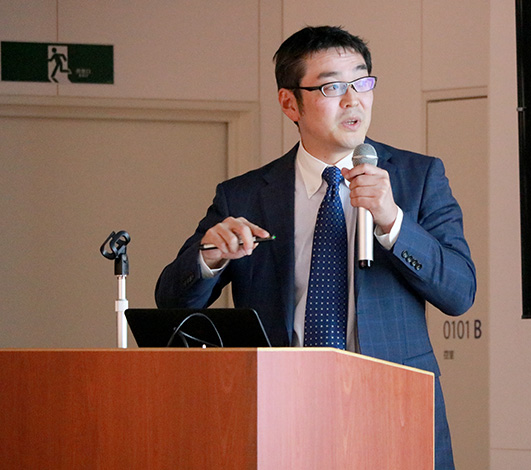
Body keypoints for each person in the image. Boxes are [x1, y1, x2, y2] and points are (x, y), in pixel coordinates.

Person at [155, 25, 476, 469]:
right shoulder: (244, 196)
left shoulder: (418, 178)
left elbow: (460, 293)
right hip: (281, 409)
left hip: (393, 406)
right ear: (290, 103)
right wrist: (209, 256)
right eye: (332, 87)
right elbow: (171, 302)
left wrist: (393, 220)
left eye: (362, 82)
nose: (353, 100)